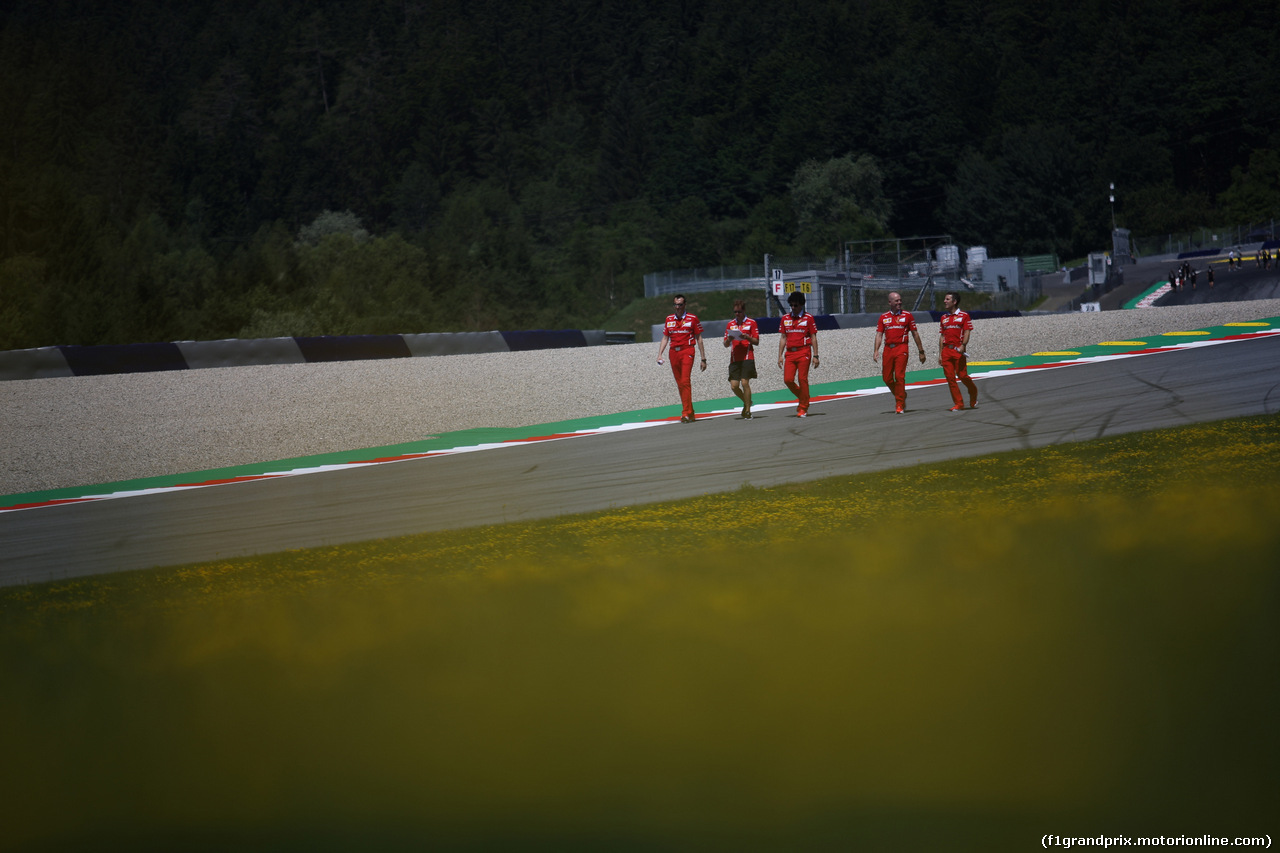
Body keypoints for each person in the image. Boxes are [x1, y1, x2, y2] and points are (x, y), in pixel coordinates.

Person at [656, 293, 706, 422]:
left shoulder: (692, 318)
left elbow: (699, 338)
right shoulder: (669, 319)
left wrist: (703, 358)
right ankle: (691, 412)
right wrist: (660, 354)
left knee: (685, 381)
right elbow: (665, 337)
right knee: (680, 384)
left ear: (685, 305)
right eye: (676, 304)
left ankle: (685, 413)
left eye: (680, 304)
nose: (678, 307)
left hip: (687, 351)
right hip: (673, 352)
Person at [873, 291, 926, 414]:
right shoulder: (884, 317)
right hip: (888, 349)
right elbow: (879, 335)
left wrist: (921, 351)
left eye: (900, 300)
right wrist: (876, 350)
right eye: (896, 301)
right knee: (886, 378)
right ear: (890, 302)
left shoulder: (907, 315)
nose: (899, 302)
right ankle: (900, 394)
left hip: (902, 348)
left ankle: (899, 404)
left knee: (899, 376)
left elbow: (915, 333)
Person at [776, 290, 820, 417]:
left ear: (801, 305)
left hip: (804, 351)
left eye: (796, 305)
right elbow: (783, 338)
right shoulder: (785, 318)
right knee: (788, 380)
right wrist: (779, 355)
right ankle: (804, 397)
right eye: (792, 305)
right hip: (789, 353)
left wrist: (816, 356)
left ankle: (803, 407)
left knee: (802, 379)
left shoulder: (808, 318)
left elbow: (813, 337)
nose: (793, 308)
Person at [938, 291, 978, 411]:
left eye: (947, 299)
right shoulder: (943, 318)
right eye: (945, 299)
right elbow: (941, 336)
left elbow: (967, 331)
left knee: (962, 375)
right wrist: (940, 354)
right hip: (946, 351)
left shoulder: (964, 315)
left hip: (958, 350)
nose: (945, 301)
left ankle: (973, 392)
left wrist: (963, 345)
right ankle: (959, 403)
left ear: (954, 302)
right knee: (950, 378)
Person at [723, 299, 760, 418]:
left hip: (747, 356)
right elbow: (725, 344)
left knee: (745, 382)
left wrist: (747, 337)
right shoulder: (730, 324)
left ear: (743, 311)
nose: (737, 314)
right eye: (735, 312)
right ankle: (747, 401)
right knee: (734, 385)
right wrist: (729, 339)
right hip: (734, 358)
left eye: (739, 312)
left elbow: (756, 341)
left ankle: (748, 410)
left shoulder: (751, 322)